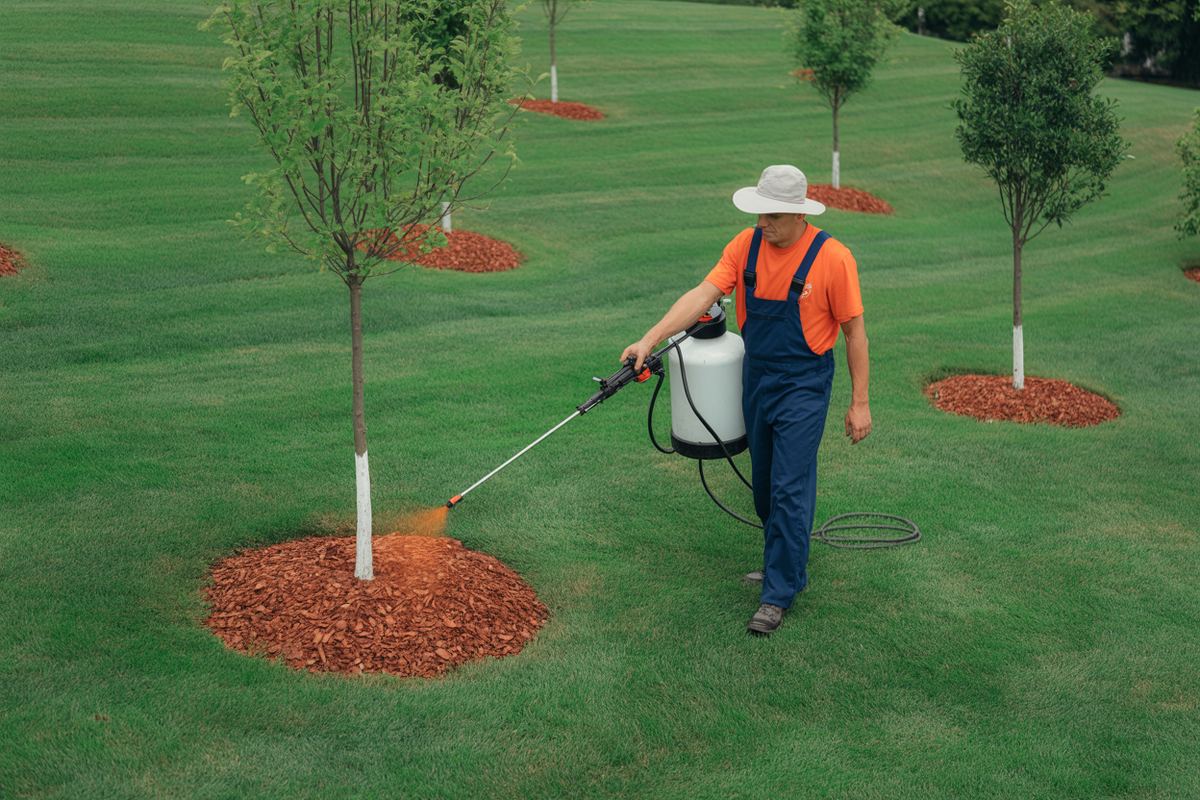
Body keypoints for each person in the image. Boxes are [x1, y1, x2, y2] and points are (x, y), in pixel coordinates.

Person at [621, 165, 871, 635]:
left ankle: (776, 595)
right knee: (762, 484)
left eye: (772, 215)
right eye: (758, 213)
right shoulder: (745, 246)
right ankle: (789, 568)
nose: (762, 223)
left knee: (789, 487)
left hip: (804, 382)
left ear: (799, 215)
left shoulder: (833, 258)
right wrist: (650, 338)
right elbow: (703, 294)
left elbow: (855, 331)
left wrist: (860, 402)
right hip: (756, 377)